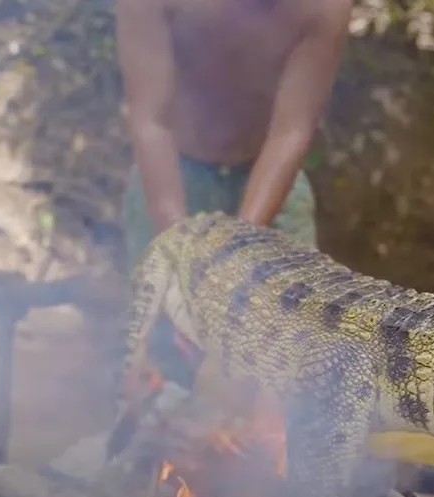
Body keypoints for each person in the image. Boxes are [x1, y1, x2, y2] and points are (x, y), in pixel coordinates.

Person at [115, 0, 353, 387]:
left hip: (268, 179)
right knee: (163, 366)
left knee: (283, 366)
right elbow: (149, 120)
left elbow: (290, 131)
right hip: (173, 176)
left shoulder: (323, 8)